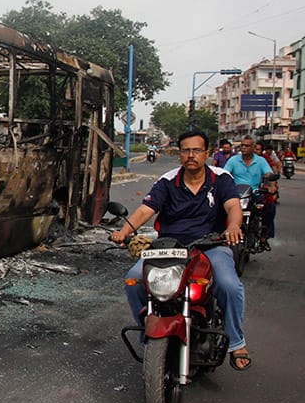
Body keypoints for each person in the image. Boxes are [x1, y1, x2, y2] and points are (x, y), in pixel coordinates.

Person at [111, 130, 251, 370]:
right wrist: (125, 231)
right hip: (170, 247)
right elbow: (147, 209)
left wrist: (234, 226)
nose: (191, 155)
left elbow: (233, 206)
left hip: (211, 246)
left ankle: (236, 342)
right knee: (134, 280)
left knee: (229, 285)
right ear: (180, 154)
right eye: (186, 150)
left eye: (197, 150)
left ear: (206, 153)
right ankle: (147, 333)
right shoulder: (167, 181)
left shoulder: (221, 178)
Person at [225, 137, 279, 249]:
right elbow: (225, 174)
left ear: (253, 148)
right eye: (242, 145)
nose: (243, 148)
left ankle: (264, 238)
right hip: (236, 195)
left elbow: (268, 174)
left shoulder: (260, 161)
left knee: (270, 208)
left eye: (247, 146)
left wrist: (271, 185)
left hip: (255, 195)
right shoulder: (233, 160)